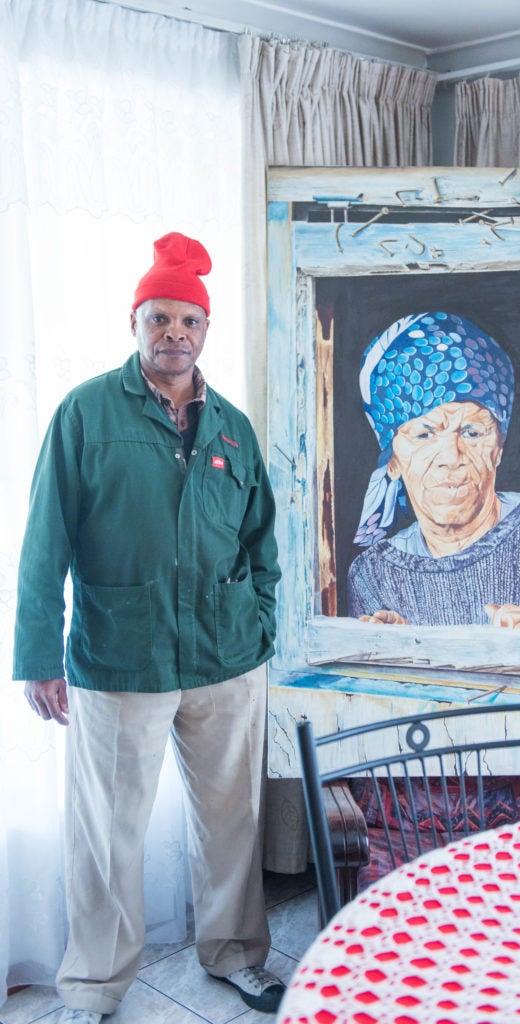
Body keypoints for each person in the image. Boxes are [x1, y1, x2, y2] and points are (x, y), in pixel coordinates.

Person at [13, 233, 285, 1023]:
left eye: (188, 320)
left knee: (232, 824)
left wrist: (261, 623)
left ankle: (236, 955)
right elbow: (45, 541)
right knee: (106, 836)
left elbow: (263, 542)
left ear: (206, 330)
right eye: (159, 318)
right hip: (118, 657)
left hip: (226, 658)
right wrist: (39, 655)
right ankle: (94, 986)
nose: (174, 333)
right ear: (133, 323)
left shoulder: (231, 427)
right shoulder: (86, 413)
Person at [347, 311, 520, 631]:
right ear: (393, 461)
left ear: (499, 446)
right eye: (424, 434)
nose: (450, 457)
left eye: (471, 432)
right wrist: (400, 647)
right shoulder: (373, 575)